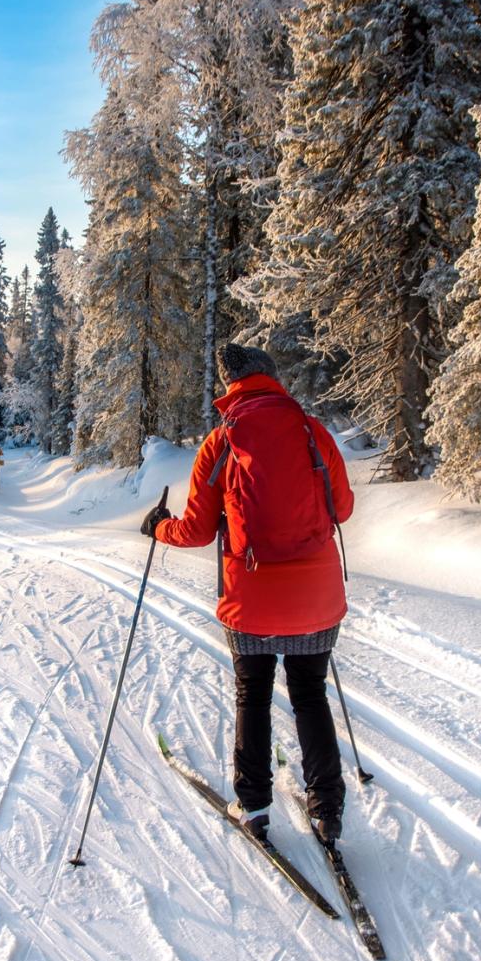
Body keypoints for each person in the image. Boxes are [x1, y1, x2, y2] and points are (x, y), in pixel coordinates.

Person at [141, 342, 354, 847]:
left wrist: (159, 528)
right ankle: (327, 809)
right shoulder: (312, 431)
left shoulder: (221, 442)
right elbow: (341, 509)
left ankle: (255, 806)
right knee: (310, 695)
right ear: (272, 378)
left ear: (230, 385)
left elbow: (193, 531)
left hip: (250, 600)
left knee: (252, 696)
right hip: (316, 598)